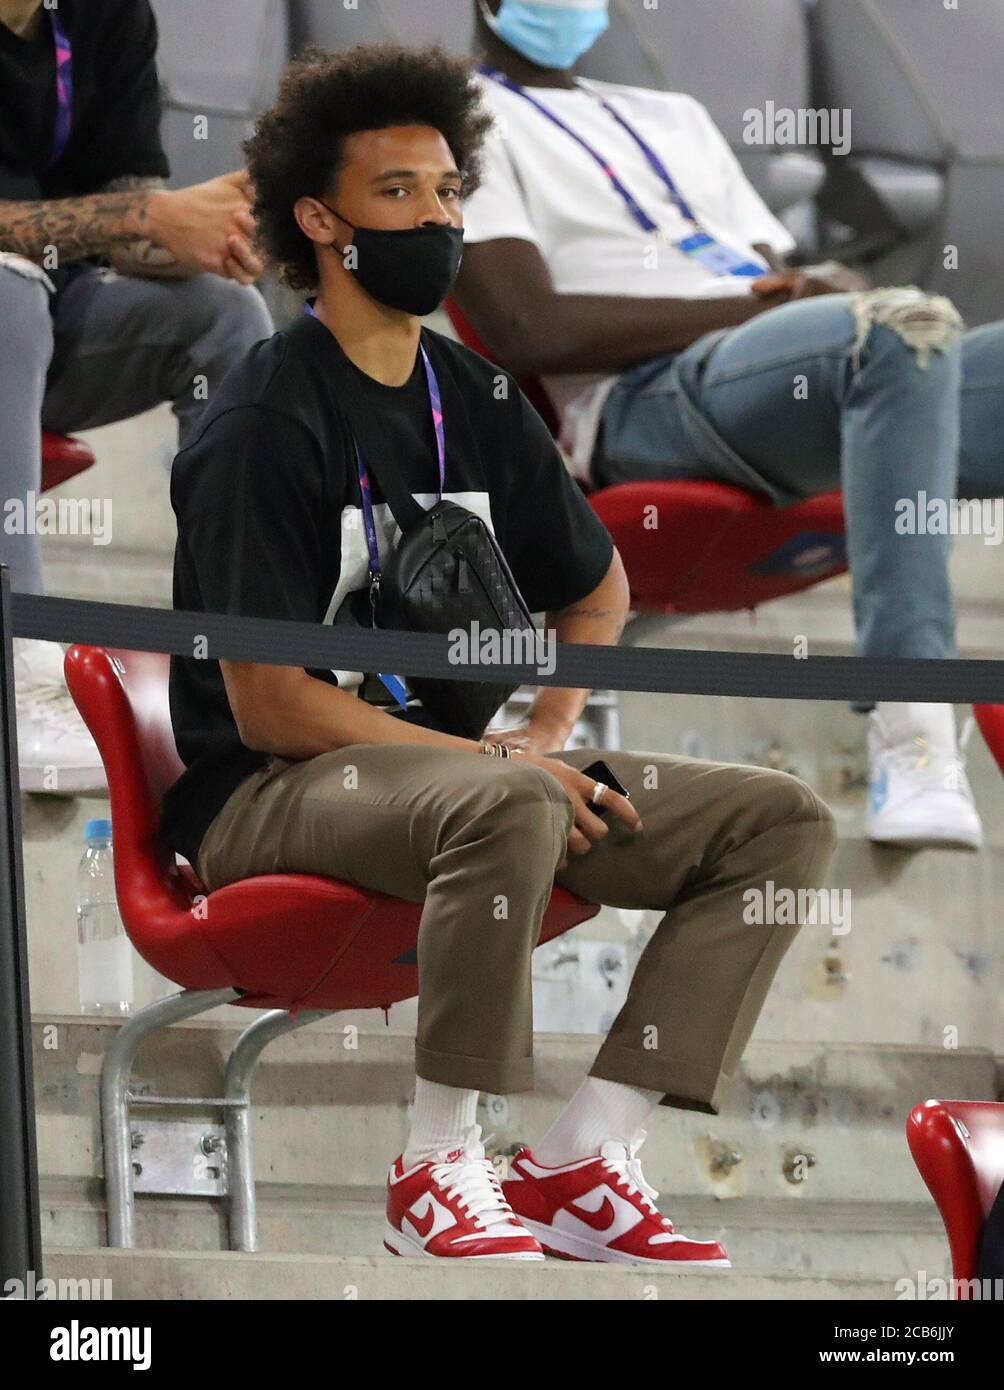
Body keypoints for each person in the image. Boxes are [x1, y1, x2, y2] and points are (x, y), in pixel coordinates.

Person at [161, 42, 837, 1265]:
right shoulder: (264, 414)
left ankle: (582, 1155)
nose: (437, 218)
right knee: (498, 798)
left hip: (451, 779)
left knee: (772, 824)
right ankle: (433, 1162)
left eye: (448, 191)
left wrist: (543, 733)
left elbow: (599, 586)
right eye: (399, 195)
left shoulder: (469, 392)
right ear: (319, 221)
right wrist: (506, 770)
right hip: (259, 796)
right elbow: (269, 706)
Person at [454, 0, 1004, 852]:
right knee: (894, 326)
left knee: (900, 325)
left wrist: (821, 285)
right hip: (645, 402)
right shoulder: (458, 121)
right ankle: (913, 726)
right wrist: (757, 308)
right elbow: (530, 329)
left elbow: (776, 269)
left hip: (787, 381)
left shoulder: (668, 114)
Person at [0, 0, 273, 791]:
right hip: (10, 309)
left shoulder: (105, 13)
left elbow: (123, 211)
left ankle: (253, 656)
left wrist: (205, 230)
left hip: (39, 333)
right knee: (9, 291)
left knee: (223, 313)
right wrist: (147, 213)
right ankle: (21, 661)